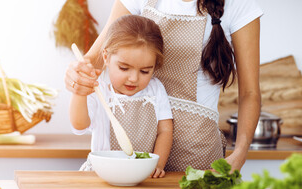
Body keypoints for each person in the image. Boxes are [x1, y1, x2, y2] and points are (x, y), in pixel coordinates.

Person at [65, 0, 263, 172]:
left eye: (144, 71)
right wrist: (77, 76)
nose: (134, 78)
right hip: (137, 146)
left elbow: (250, 92)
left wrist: (240, 153)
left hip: (196, 150)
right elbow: (94, 61)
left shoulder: (239, 5)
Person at [69, 15, 173, 178]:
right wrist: (79, 93)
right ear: (106, 57)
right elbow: (79, 125)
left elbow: (165, 130)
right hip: (102, 174)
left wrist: (158, 164)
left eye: (145, 71)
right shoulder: (98, 90)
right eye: (124, 68)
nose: (134, 78)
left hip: (141, 174)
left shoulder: (156, 89)